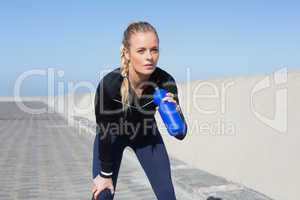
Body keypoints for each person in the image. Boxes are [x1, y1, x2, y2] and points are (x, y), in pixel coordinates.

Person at [91, 21, 188, 200]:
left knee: (167, 196)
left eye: (154, 50)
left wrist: (174, 113)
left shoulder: (165, 81)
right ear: (127, 53)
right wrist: (105, 175)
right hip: (111, 138)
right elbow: (104, 132)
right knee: (103, 194)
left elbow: (181, 134)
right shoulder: (110, 85)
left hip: (146, 135)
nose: (149, 57)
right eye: (141, 50)